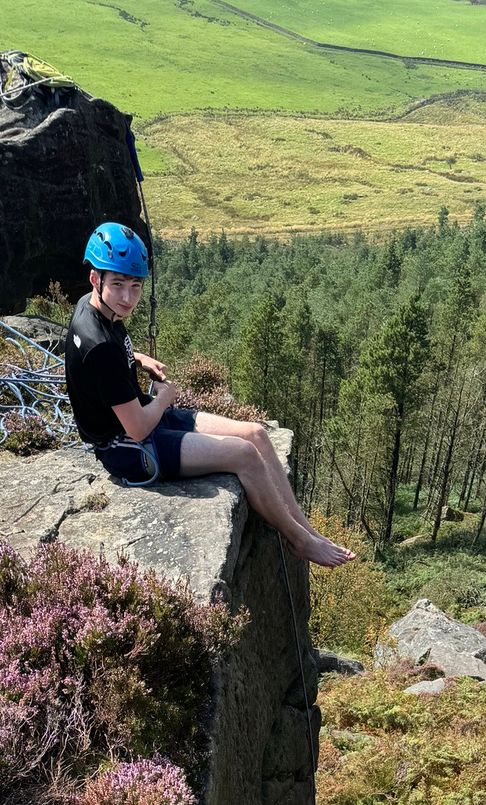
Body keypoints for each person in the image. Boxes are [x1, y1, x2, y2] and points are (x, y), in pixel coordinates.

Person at [64, 222, 354, 569]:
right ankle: (300, 540)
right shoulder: (100, 347)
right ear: (96, 279)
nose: (128, 298)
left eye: (136, 286)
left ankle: (307, 529)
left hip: (140, 416)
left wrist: (137, 358)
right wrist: (165, 397)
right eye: (119, 286)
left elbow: (110, 355)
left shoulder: (93, 307)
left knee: (256, 434)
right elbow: (138, 428)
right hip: (128, 449)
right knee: (244, 454)